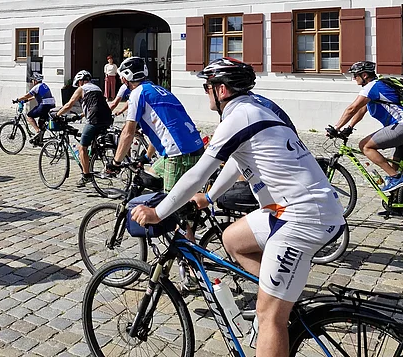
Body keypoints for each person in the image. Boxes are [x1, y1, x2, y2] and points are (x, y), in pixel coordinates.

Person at [131, 57, 345, 357]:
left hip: (303, 216)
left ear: (220, 90)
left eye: (207, 87)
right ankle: (281, 294)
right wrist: (209, 197)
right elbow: (235, 162)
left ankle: (276, 311)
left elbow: (198, 173)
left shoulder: (239, 116)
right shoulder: (253, 109)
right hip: (290, 210)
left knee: (268, 317)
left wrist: (158, 212)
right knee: (233, 239)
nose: (206, 93)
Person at [108, 57, 204, 193]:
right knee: (150, 175)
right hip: (193, 146)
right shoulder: (159, 90)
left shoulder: (137, 93)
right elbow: (160, 129)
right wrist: (147, 156)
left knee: (171, 202)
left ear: (125, 79)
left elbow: (128, 133)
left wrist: (116, 162)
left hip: (178, 154)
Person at [331, 60, 403, 192]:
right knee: (395, 161)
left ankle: (395, 177)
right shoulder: (376, 89)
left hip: (400, 126)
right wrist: (349, 127)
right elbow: (360, 111)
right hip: (398, 127)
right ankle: (396, 195)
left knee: (365, 146)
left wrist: (336, 128)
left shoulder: (371, 87)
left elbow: (352, 109)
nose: (354, 78)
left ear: (364, 75)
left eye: (355, 75)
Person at [56, 70, 112, 187]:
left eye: (78, 83)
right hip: (107, 118)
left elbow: (69, 104)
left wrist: (57, 115)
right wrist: (80, 116)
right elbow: (95, 105)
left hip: (94, 120)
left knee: (82, 147)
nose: (78, 85)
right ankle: (93, 158)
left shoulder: (82, 89)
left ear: (80, 81)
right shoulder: (97, 88)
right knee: (93, 143)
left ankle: (86, 176)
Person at [14, 72, 56, 146]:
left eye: (33, 80)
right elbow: (34, 96)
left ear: (36, 80)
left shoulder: (36, 87)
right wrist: (26, 100)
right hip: (51, 105)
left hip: (44, 105)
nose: (32, 81)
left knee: (29, 116)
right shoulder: (44, 85)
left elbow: (27, 95)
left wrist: (18, 99)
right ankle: (40, 140)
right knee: (41, 122)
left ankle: (37, 131)